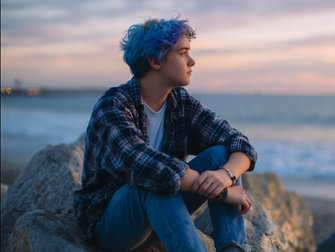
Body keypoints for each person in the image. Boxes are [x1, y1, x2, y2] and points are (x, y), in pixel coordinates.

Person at [73, 17, 257, 252]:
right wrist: (222, 193)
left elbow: (237, 142)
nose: (192, 61)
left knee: (219, 154)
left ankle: (233, 249)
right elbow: (144, 166)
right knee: (153, 181)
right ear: (155, 60)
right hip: (113, 228)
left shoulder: (181, 103)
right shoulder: (114, 105)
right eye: (182, 53)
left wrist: (226, 174)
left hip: (160, 220)